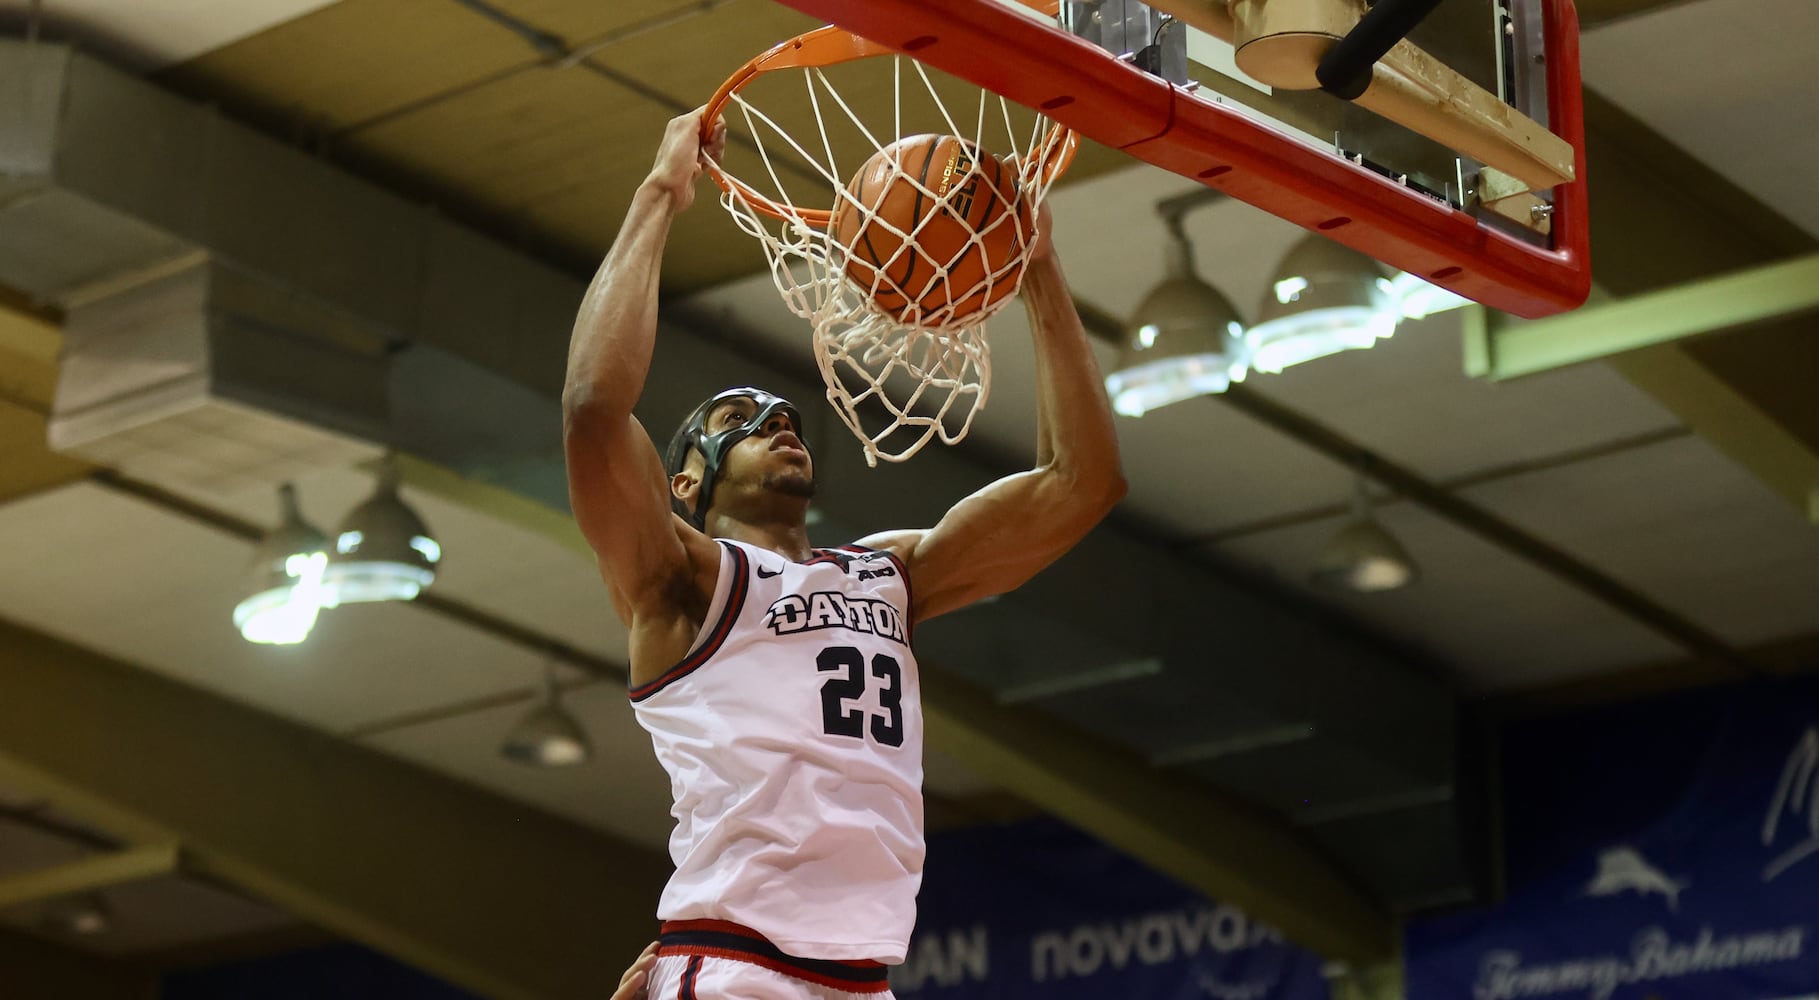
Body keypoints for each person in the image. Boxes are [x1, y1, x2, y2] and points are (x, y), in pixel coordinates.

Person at [563, 108, 1125, 999]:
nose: (772, 420)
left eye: (781, 413)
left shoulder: (887, 572)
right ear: (682, 487)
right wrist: (662, 192)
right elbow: (595, 407)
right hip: (741, 963)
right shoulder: (682, 583)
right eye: (730, 421)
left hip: (861, 978)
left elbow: (1079, 484)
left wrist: (1037, 266)